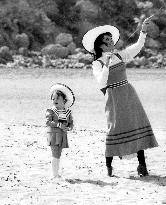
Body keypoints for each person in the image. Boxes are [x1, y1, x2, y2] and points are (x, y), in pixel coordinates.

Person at [82, 17, 158, 177]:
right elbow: (101, 82)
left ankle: (142, 166)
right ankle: (109, 167)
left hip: (129, 94)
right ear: (101, 45)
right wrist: (107, 64)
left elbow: (137, 47)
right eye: (107, 40)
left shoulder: (119, 55)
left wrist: (143, 30)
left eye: (111, 39)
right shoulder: (97, 63)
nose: (111, 42)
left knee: (135, 126)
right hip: (114, 98)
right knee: (113, 130)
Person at [45, 83, 75, 178]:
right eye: (53, 99)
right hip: (53, 134)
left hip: (62, 135)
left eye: (57, 98)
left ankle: (56, 173)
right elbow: (48, 122)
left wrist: (69, 127)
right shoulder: (51, 110)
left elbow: (70, 122)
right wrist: (59, 125)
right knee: (55, 153)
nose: (55, 100)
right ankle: (54, 174)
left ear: (64, 99)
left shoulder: (67, 111)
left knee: (59, 154)